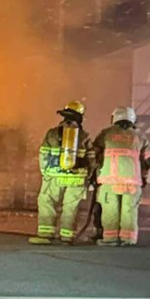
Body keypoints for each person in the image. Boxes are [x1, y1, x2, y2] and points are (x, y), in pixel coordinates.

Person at [30, 101, 92, 245]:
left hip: (54, 177)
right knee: (71, 207)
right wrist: (88, 176)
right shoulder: (84, 136)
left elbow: (43, 155)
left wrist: (45, 173)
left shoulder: (52, 134)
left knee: (47, 203)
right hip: (76, 178)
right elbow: (91, 159)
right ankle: (67, 237)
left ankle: (45, 235)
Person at [89, 106, 150, 246]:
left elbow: (93, 153)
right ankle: (128, 239)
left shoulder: (106, 134)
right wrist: (144, 177)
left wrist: (93, 171)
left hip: (109, 181)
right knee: (129, 210)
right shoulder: (140, 136)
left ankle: (110, 238)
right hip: (132, 182)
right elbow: (147, 160)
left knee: (110, 210)